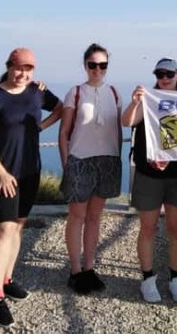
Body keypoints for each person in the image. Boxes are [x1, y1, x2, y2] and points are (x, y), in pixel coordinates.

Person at [0, 48, 62, 327]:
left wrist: (39, 126)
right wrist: (0, 173)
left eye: (28, 68)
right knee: (4, 229)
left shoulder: (36, 92)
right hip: (5, 174)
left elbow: (61, 108)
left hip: (30, 171)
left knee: (19, 226)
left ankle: (7, 278)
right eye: (18, 68)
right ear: (8, 66)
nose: (23, 73)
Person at [121, 58, 177, 304]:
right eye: (160, 74)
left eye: (169, 73)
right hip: (149, 175)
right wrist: (134, 102)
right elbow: (127, 122)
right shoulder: (148, 99)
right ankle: (148, 279)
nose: (164, 78)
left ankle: (176, 278)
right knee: (148, 228)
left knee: (176, 230)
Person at [59, 43, 122, 295]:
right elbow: (64, 132)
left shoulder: (115, 93)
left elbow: (118, 128)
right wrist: (66, 165)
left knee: (95, 217)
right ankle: (75, 271)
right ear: (85, 65)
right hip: (80, 160)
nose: (97, 69)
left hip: (107, 161)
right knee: (77, 217)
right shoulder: (75, 93)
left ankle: (89, 268)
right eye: (93, 64)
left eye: (102, 65)